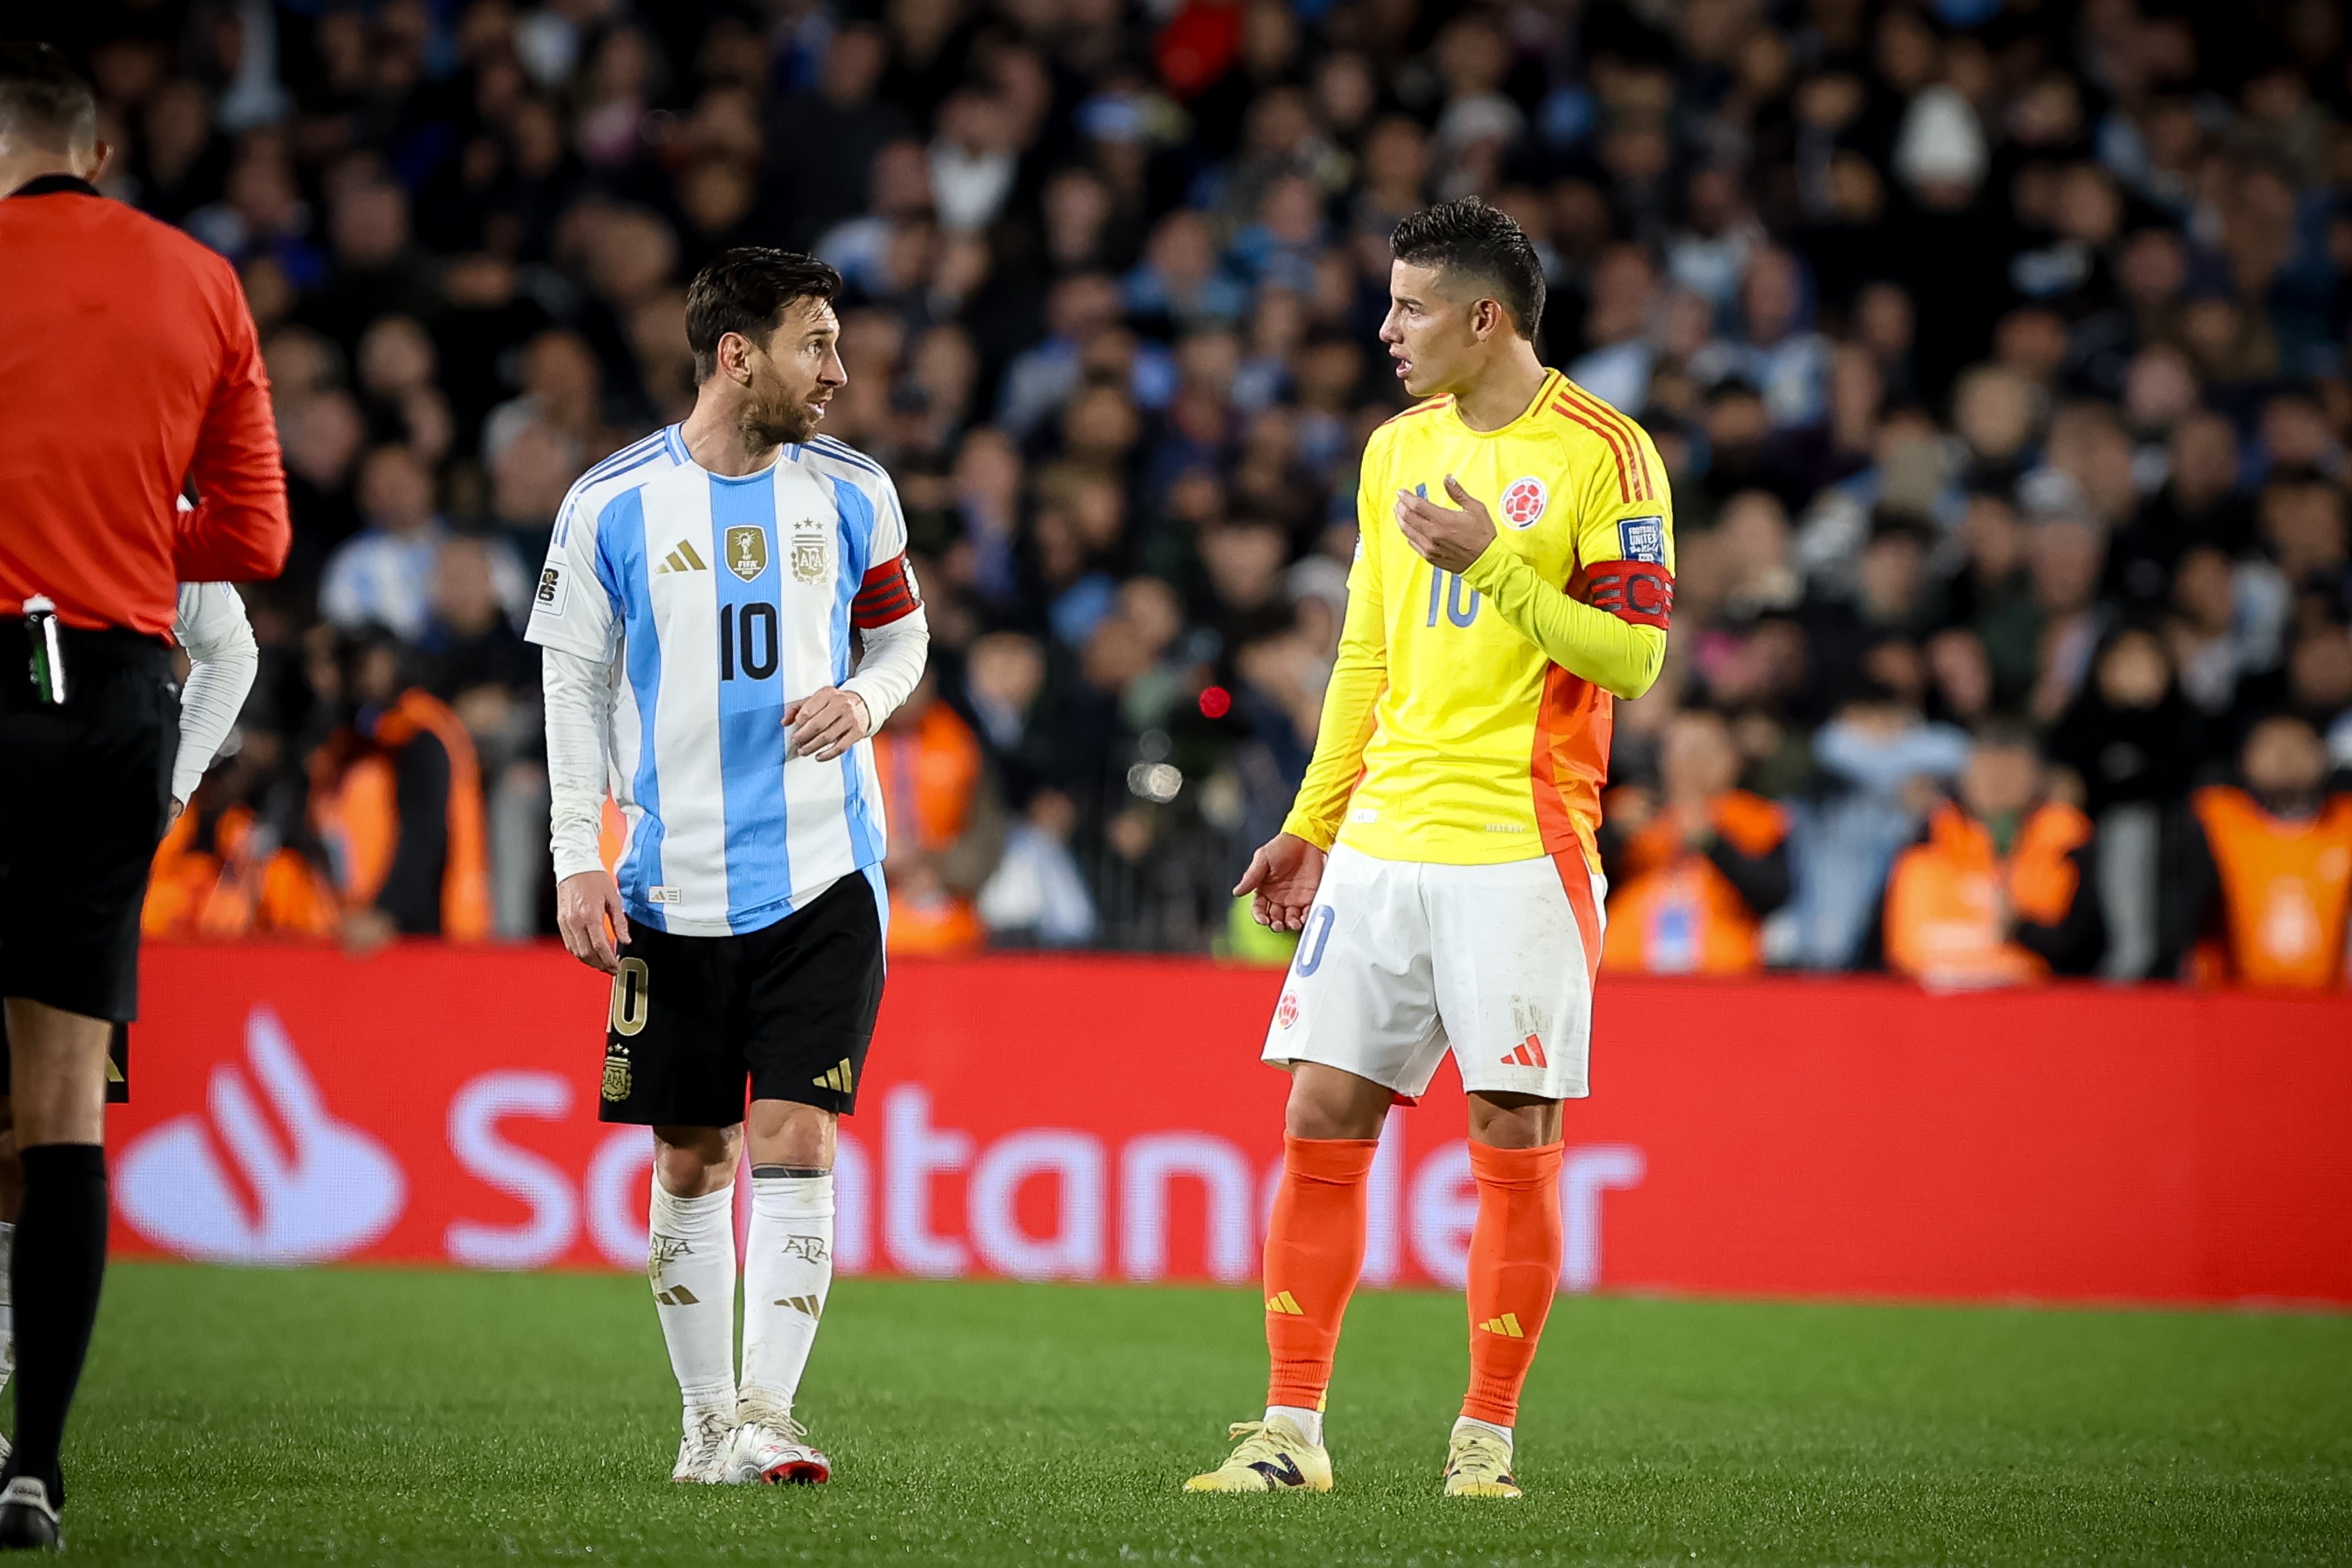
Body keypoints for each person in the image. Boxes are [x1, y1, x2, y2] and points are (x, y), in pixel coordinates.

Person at [1188, 199, 1673, 1500]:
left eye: (1406, 306)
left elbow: (1631, 655)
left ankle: (1484, 1440)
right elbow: (1365, 650)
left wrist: (1500, 561)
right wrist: (1309, 821)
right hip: (1381, 846)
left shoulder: (1604, 456)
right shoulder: (1392, 448)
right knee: (1317, 1119)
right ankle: (1288, 1432)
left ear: (1482, 317)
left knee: (1510, 1131)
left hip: (1519, 847)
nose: (1384, 329)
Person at [527, 249, 929, 1487]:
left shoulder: (855, 491)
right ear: (737, 352)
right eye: (817, 343)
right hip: (667, 884)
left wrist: (864, 699)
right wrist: (575, 856)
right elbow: (574, 682)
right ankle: (707, 1424)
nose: (839, 372)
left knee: (798, 1132)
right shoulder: (612, 504)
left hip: (824, 875)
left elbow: (904, 636)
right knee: (690, 1153)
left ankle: (768, 1412)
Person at [0, 44, 288, 1548]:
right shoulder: (199, 281)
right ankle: (32, 1465)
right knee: (59, 1109)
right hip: (110, 696)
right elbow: (252, 532)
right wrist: (110, 517)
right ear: (97, 153)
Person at [0, 580, 265, 1415]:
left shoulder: (149, 501)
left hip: (78, 856)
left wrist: (170, 789)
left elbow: (231, 651)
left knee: (32, 1136)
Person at [1873, 725, 2104, 986]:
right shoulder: (1927, 840)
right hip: (1931, 1002)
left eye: (2011, 773)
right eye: (1986, 772)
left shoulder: (2067, 841)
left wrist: (2019, 928)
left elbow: (2085, 947)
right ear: (1966, 778)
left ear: (2038, 779)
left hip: (2037, 1004)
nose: (1997, 784)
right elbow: (1887, 948)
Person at [308, 627, 493, 948]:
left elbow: (425, 837)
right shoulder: (362, 740)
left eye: (367, 662)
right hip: (363, 923)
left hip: (422, 931)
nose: (360, 675)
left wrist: (387, 913)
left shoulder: (419, 734)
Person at [1600, 708, 1791, 974]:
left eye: (1701, 751)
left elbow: (1773, 893)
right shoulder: (1631, 810)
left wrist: (1712, 842)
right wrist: (1613, 834)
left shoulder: (1758, 818)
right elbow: (1581, 886)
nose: (1689, 762)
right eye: (1678, 750)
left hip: (1725, 973)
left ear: (1732, 760)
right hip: (1625, 969)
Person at [2167, 714, 2352, 989]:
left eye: (2298, 746)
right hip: (2228, 1001)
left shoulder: (2347, 823)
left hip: (2333, 1006)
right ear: (2244, 758)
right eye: (2271, 746)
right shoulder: (2212, 819)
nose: (2285, 758)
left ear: (2324, 758)